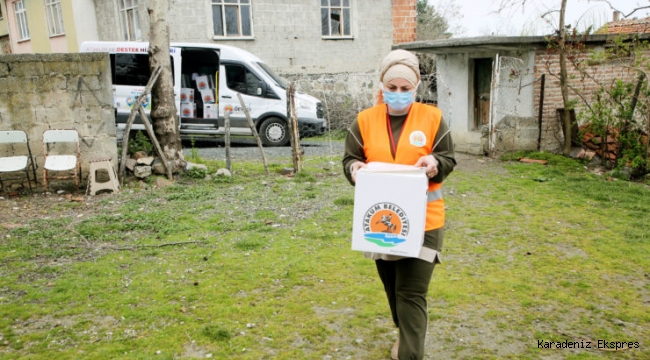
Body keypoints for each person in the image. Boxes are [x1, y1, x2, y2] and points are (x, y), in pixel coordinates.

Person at [342, 49, 456, 360]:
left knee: (411, 292)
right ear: (382, 86)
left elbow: (449, 158)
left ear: (416, 86)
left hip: (426, 222)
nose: (398, 94)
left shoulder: (432, 118)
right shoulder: (363, 121)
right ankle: (404, 331)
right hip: (381, 221)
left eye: (405, 88)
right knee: (393, 290)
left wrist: (435, 162)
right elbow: (350, 159)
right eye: (391, 88)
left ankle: (408, 352)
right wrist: (354, 170)